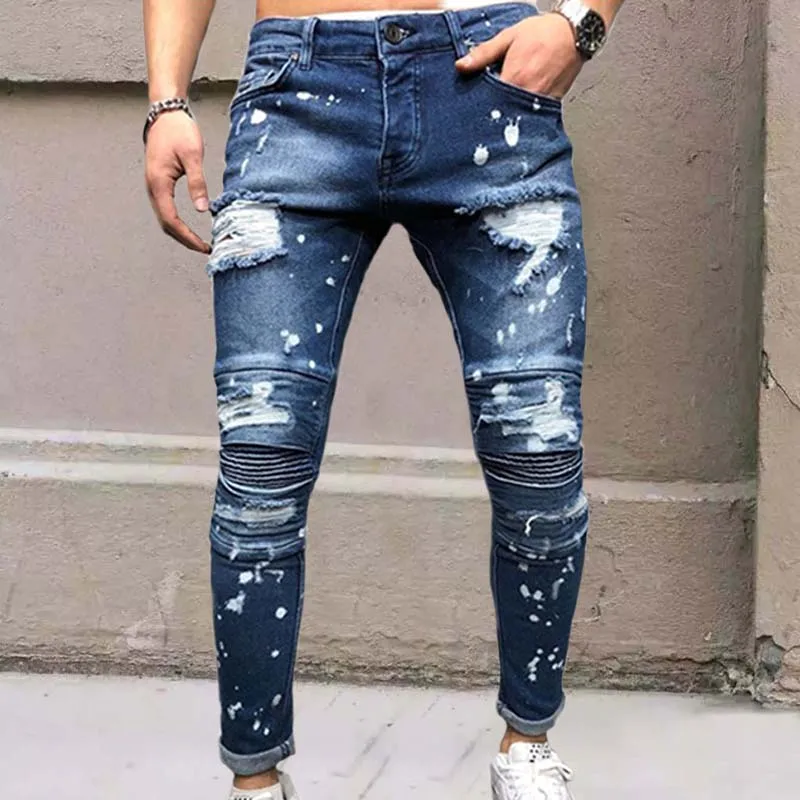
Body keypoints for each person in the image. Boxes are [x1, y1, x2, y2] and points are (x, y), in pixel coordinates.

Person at [143, 0, 623, 796]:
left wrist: (582, 24)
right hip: (298, 95)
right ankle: (254, 783)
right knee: (260, 472)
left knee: (539, 457)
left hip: (488, 89)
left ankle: (527, 746)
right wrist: (167, 99)